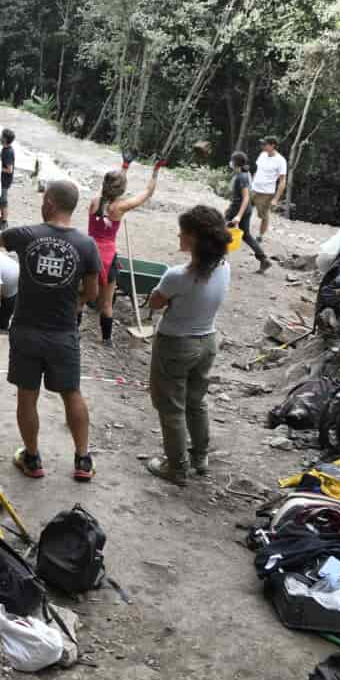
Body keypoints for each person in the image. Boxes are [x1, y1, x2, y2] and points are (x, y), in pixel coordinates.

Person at [0, 180, 101, 482]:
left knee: (27, 396)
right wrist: (71, 302)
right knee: (72, 393)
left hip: (26, 330)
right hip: (64, 333)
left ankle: (32, 458)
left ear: (50, 203)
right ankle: (82, 460)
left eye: (44, 199)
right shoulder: (86, 245)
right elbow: (92, 294)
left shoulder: (27, 235)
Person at [143, 205, 232, 485]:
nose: (178, 235)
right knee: (196, 401)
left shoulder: (178, 275)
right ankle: (199, 456)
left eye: (183, 231)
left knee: (171, 407)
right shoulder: (224, 267)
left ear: (194, 237)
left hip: (176, 345)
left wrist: (159, 296)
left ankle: (177, 467)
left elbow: (156, 304)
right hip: (207, 341)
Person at [85, 162, 161, 343]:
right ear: (121, 190)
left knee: (80, 298)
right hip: (107, 257)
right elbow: (147, 193)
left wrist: (125, 166)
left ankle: (74, 331)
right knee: (106, 303)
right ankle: (106, 340)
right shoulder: (119, 207)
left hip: (87, 252)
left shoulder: (95, 201)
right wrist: (155, 171)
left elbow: (111, 187)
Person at [226, 151, 272, 274]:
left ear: (235, 163)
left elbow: (246, 197)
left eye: (232, 160)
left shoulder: (242, 177)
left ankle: (216, 260)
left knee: (221, 231)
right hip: (245, 209)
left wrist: (238, 216)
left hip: (237, 210)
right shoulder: (244, 173)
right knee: (246, 235)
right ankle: (263, 259)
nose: (230, 162)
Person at [252, 136, 288, 240]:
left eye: (265, 144)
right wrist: (250, 183)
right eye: (262, 144)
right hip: (253, 188)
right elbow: (257, 171)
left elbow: (282, 181)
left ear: (272, 145)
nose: (262, 146)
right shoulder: (262, 155)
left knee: (263, 215)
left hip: (266, 193)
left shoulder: (281, 160)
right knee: (242, 207)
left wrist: (276, 199)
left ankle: (260, 236)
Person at [0, 129, 16, 229]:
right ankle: (2, 218)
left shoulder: (8, 152)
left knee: (3, 201)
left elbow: (9, 170)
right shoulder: (5, 149)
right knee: (0, 200)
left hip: (5, 181)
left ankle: (4, 221)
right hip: (2, 179)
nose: (0, 137)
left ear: (5, 139)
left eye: (1, 135)